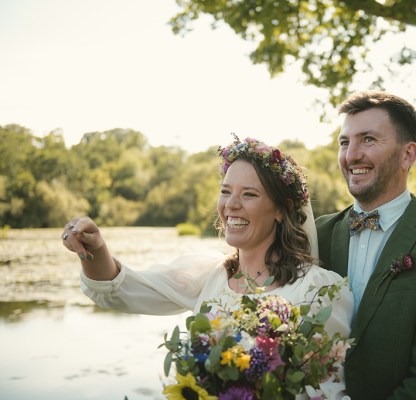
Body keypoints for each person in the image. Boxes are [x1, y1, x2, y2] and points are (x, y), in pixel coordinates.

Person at [61, 136, 353, 398]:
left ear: (281, 209)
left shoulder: (319, 291)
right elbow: (119, 290)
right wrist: (95, 249)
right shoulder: (208, 275)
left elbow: (327, 390)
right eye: (226, 192)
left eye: (249, 194)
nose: (231, 205)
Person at [315, 91, 416, 400]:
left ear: (408, 155)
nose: (351, 155)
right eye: (344, 142)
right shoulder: (317, 234)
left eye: (368, 140)